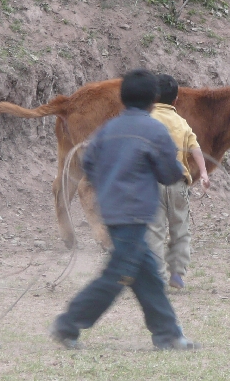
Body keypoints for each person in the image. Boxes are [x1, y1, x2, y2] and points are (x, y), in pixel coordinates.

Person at [50, 69, 199, 350]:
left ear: (123, 98)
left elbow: (89, 163)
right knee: (117, 275)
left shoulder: (110, 127)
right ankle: (68, 323)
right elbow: (169, 173)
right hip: (135, 212)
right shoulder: (155, 129)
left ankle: (168, 334)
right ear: (153, 100)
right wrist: (177, 168)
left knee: (148, 275)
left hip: (112, 211)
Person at [147, 74, 210, 290]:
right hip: (178, 184)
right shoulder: (181, 123)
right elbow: (195, 147)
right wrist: (203, 173)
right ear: (175, 100)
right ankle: (177, 273)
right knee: (180, 228)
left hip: (152, 183)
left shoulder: (147, 120)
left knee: (154, 229)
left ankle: (155, 276)